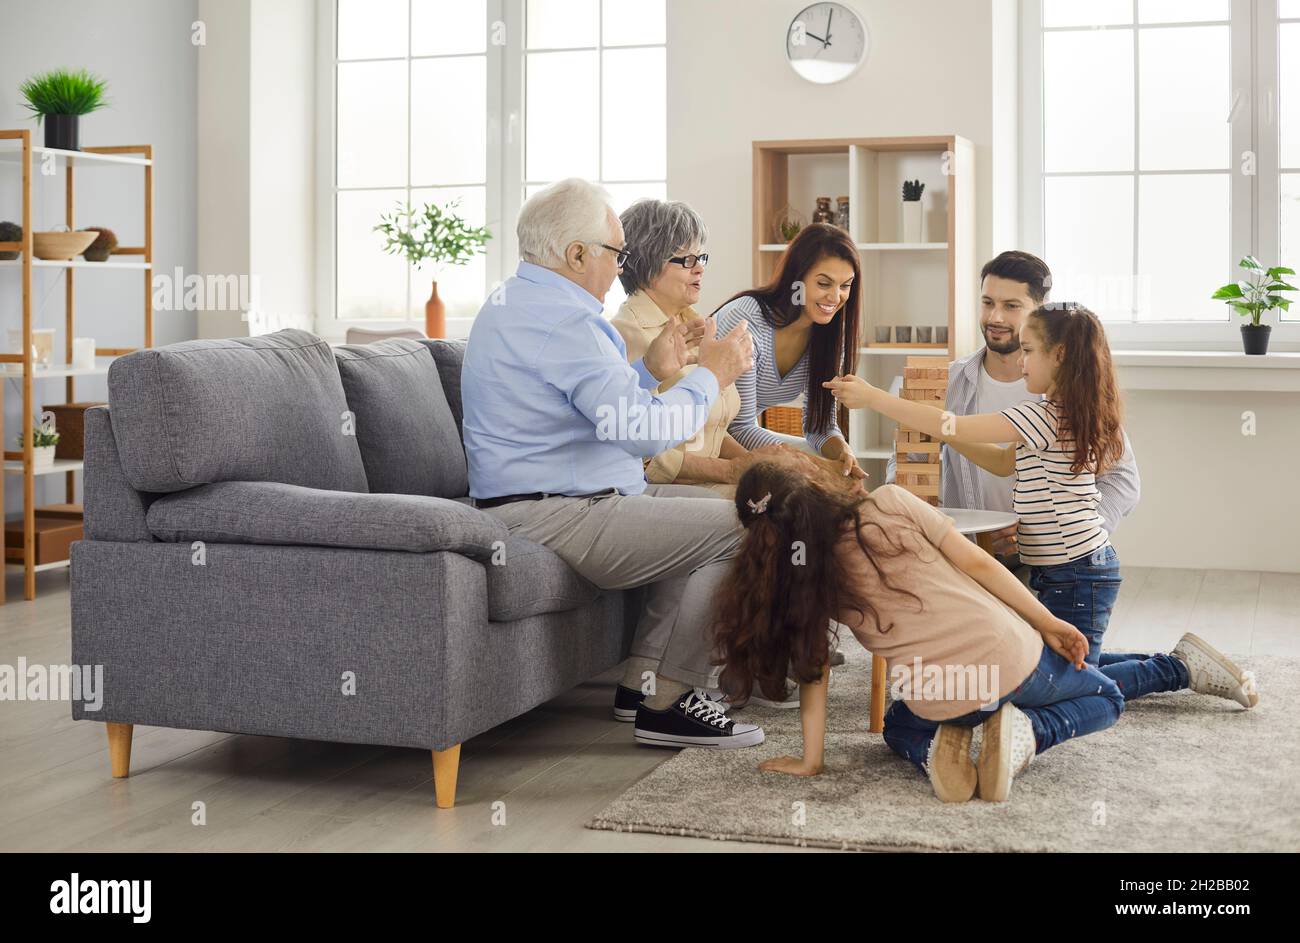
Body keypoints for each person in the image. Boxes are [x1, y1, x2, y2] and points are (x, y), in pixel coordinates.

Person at [712, 459, 1260, 802]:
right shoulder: (891, 501)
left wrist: (811, 762)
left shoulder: (805, 587)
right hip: (1013, 656)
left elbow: (813, 674)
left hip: (939, 696)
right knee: (1104, 693)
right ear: (813, 483)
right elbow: (980, 565)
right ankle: (1035, 730)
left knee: (898, 724)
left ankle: (938, 748)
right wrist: (1045, 621)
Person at [824, 303, 1259, 711]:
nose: (1020, 362)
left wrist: (876, 399)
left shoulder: (1044, 415)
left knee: (1069, 679)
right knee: (1062, 661)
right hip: (1071, 569)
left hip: (1079, 571)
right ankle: (1183, 659)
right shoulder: (1066, 415)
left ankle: (1178, 669)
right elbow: (998, 461)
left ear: (1060, 355)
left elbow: (948, 421)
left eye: (1029, 351)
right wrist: (946, 438)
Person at [461, 177, 767, 749]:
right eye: (616, 253)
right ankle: (672, 701)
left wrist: (650, 372)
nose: (619, 266)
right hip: (561, 514)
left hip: (573, 500)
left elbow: (593, 411)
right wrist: (713, 374)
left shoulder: (523, 304)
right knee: (752, 525)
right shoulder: (564, 321)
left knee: (734, 510)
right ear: (577, 255)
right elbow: (643, 434)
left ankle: (641, 685)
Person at [889, 250, 1140, 566]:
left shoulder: (1070, 392)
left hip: (1052, 563)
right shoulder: (948, 381)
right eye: (987, 302)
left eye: (1011, 306)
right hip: (967, 556)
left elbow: (1123, 480)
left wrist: (1060, 537)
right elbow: (905, 467)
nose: (995, 318)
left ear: (1039, 313)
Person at [611, 198, 780, 497]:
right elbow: (644, 454)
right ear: (648, 265)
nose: (700, 269)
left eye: (701, 257)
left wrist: (750, 464)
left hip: (707, 483)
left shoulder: (695, 325)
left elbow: (709, 430)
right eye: (687, 260)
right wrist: (731, 471)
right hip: (658, 491)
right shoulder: (627, 334)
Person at [713, 223, 866, 483]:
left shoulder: (828, 337)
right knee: (816, 476)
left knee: (841, 473)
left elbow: (819, 427)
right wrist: (815, 467)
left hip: (734, 435)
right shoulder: (747, 320)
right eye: (824, 283)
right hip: (705, 435)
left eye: (845, 286)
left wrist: (843, 452)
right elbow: (739, 426)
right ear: (796, 279)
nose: (835, 296)